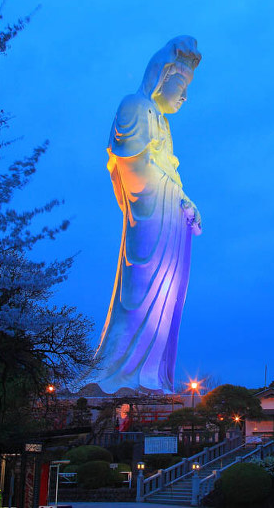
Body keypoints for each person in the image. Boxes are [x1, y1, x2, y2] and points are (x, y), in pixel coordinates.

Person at [89, 36, 202, 394]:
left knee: (164, 301)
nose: (184, 96)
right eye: (179, 85)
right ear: (161, 76)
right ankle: (121, 374)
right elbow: (133, 167)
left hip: (169, 220)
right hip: (150, 218)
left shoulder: (163, 125)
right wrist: (174, 195)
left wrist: (186, 201)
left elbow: (169, 172)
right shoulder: (135, 106)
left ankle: (150, 375)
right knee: (138, 297)